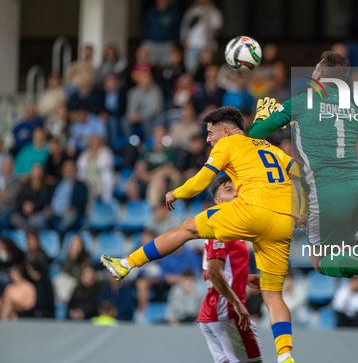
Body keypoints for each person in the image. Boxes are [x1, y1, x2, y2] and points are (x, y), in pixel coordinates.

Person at [101, 107, 296, 363]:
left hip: (253, 211)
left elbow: (201, 181)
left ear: (225, 131)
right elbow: (304, 178)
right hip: (284, 220)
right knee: (273, 295)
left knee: (187, 228)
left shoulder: (228, 144)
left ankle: (126, 264)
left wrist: (176, 193)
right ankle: (285, 355)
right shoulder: (273, 150)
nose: (208, 139)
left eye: (210, 132)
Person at [248, 51, 358, 311]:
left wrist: (265, 114)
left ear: (318, 74)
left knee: (320, 260)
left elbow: (255, 134)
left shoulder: (300, 102)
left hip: (327, 190)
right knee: (350, 243)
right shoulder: (350, 104)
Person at [198, 176, 263, 363]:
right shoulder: (223, 227)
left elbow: (207, 273)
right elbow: (213, 272)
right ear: (217, 201)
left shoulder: (227, 226)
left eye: (236, 189)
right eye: (228, 190)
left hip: (213, 312)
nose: (235, 193)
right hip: (226, 311)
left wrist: (243, 277)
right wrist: (237, 304)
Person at [180, 0, 223, 74]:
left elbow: (216, 29)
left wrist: (210, 44)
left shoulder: (214, 12)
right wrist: (184, 40)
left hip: (205, 46)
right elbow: (185, 26)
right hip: (191, 45)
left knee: (205, 69)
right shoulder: (191, 11)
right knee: (191, 70)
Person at [141, 0, 181, 66]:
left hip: (167, 44)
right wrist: (144, 40)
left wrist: (174, 41)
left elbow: (177, 28)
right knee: (148, 64)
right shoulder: (151, 12)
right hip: (151, 42)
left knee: (167, 65)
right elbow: (144, 27)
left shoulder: (173, 13)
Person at [49, 160, 88, 234]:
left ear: (75, 170)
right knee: (38, 220)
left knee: (69, 219)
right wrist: (48, 206)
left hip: (69, 213)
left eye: (71, 169)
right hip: (53, 212)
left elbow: (82, 202)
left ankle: (59, 237)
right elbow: (49, 197)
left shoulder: (81, 186)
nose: (68, 171)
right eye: (66, 168)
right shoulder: (57, 184)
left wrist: (73, 207)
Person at [10, 164, 53, 230]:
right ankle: (27, 234)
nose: (36, 174)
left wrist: (33, 206)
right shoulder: (26, 185)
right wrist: (24, 205)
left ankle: (32, 236)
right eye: (35, 172)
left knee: (34, 220)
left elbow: (43, 201)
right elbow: (19, 199)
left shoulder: (46, 187)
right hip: (24, 212)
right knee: (14, 218)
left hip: (38, 211)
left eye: (38, 172)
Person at [76, 135, 115, 202]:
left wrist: (97, 156)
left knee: (90, 188)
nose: (94, 145)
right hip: (86, 177)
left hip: (99, 178)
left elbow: (104, 165)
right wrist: (89, 157)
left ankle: (90, 208)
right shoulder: (85, 153)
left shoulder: (105, 152)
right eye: (93, 143)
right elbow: (80, 165)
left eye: (97, 143)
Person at [126, 72, 163, 138]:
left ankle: (148, 142)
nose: (145, 80)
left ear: (151, 79)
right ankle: (130, 142)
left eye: (146, 77)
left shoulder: (156, 91)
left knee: (147, 120)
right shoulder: (134, 91)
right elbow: (131, 107)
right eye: (143, 78)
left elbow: (154, 109)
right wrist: (132, 115)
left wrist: (140, 116)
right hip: (138, 115)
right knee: (125, 120)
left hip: (154, 116)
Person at [101, 74, 127, 143]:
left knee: (112, 121)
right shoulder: (102, 94)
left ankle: (114, 145)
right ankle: (103, 144)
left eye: (112, 82)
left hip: (118, 116)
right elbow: (99, 107)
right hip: (105, 116)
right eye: (108, 83)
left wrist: (109, 114)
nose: (110, 85)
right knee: (100, 121)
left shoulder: (122, 94)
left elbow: (123, 109)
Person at [0, 158, 21, 229]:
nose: (6, 168)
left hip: (9, 208)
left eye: (9, 166)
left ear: (12, 167)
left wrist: (3, 195)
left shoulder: (16, 181)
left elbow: (11, 197)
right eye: (5, 166)